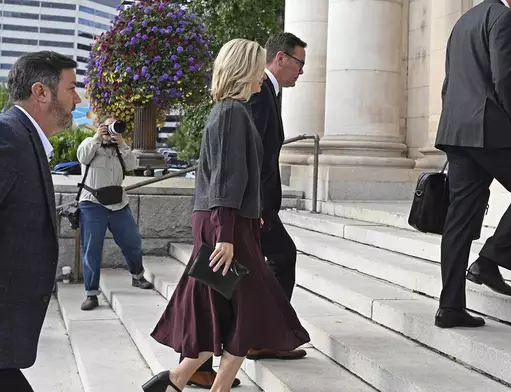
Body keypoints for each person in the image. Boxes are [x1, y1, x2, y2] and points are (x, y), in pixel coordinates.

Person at [144, 38, 310, 392]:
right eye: (255, 65)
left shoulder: (228, 109)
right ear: (243, 70)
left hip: (229, 220)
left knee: (234, 307)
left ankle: (177, 380)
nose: (260, 73)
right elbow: (226, 178)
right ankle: (186, 381)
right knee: (253, 306)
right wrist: (226, 235)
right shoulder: (233, 113)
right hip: (226, 224)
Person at [433, 0, 511, 329]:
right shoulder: (506, 18)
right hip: (489, 129)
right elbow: (506, 81)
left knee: (458, 220)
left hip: (457, 131)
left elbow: (449, 84)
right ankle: (489, 261)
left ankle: (450, 307)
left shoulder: (464, 21)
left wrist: (455, 124)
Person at [0, 51, 81, 392]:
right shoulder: (8, 137)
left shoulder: (23, 138)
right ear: (41, 92)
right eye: (71, 88)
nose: (77, 99)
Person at [76, 115, 154, 311]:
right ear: (101, 126)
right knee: (91, 249)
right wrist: (96, 137)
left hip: (118, 203)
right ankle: (91, 294)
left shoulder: (120, 147)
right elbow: (83, 157)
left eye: (116, 126)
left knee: (132, 241)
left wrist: (122, 143)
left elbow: (132, 166)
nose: (114, 130)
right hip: (92, 204)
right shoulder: (89, 143)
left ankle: (137, 276)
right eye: (110, 126)